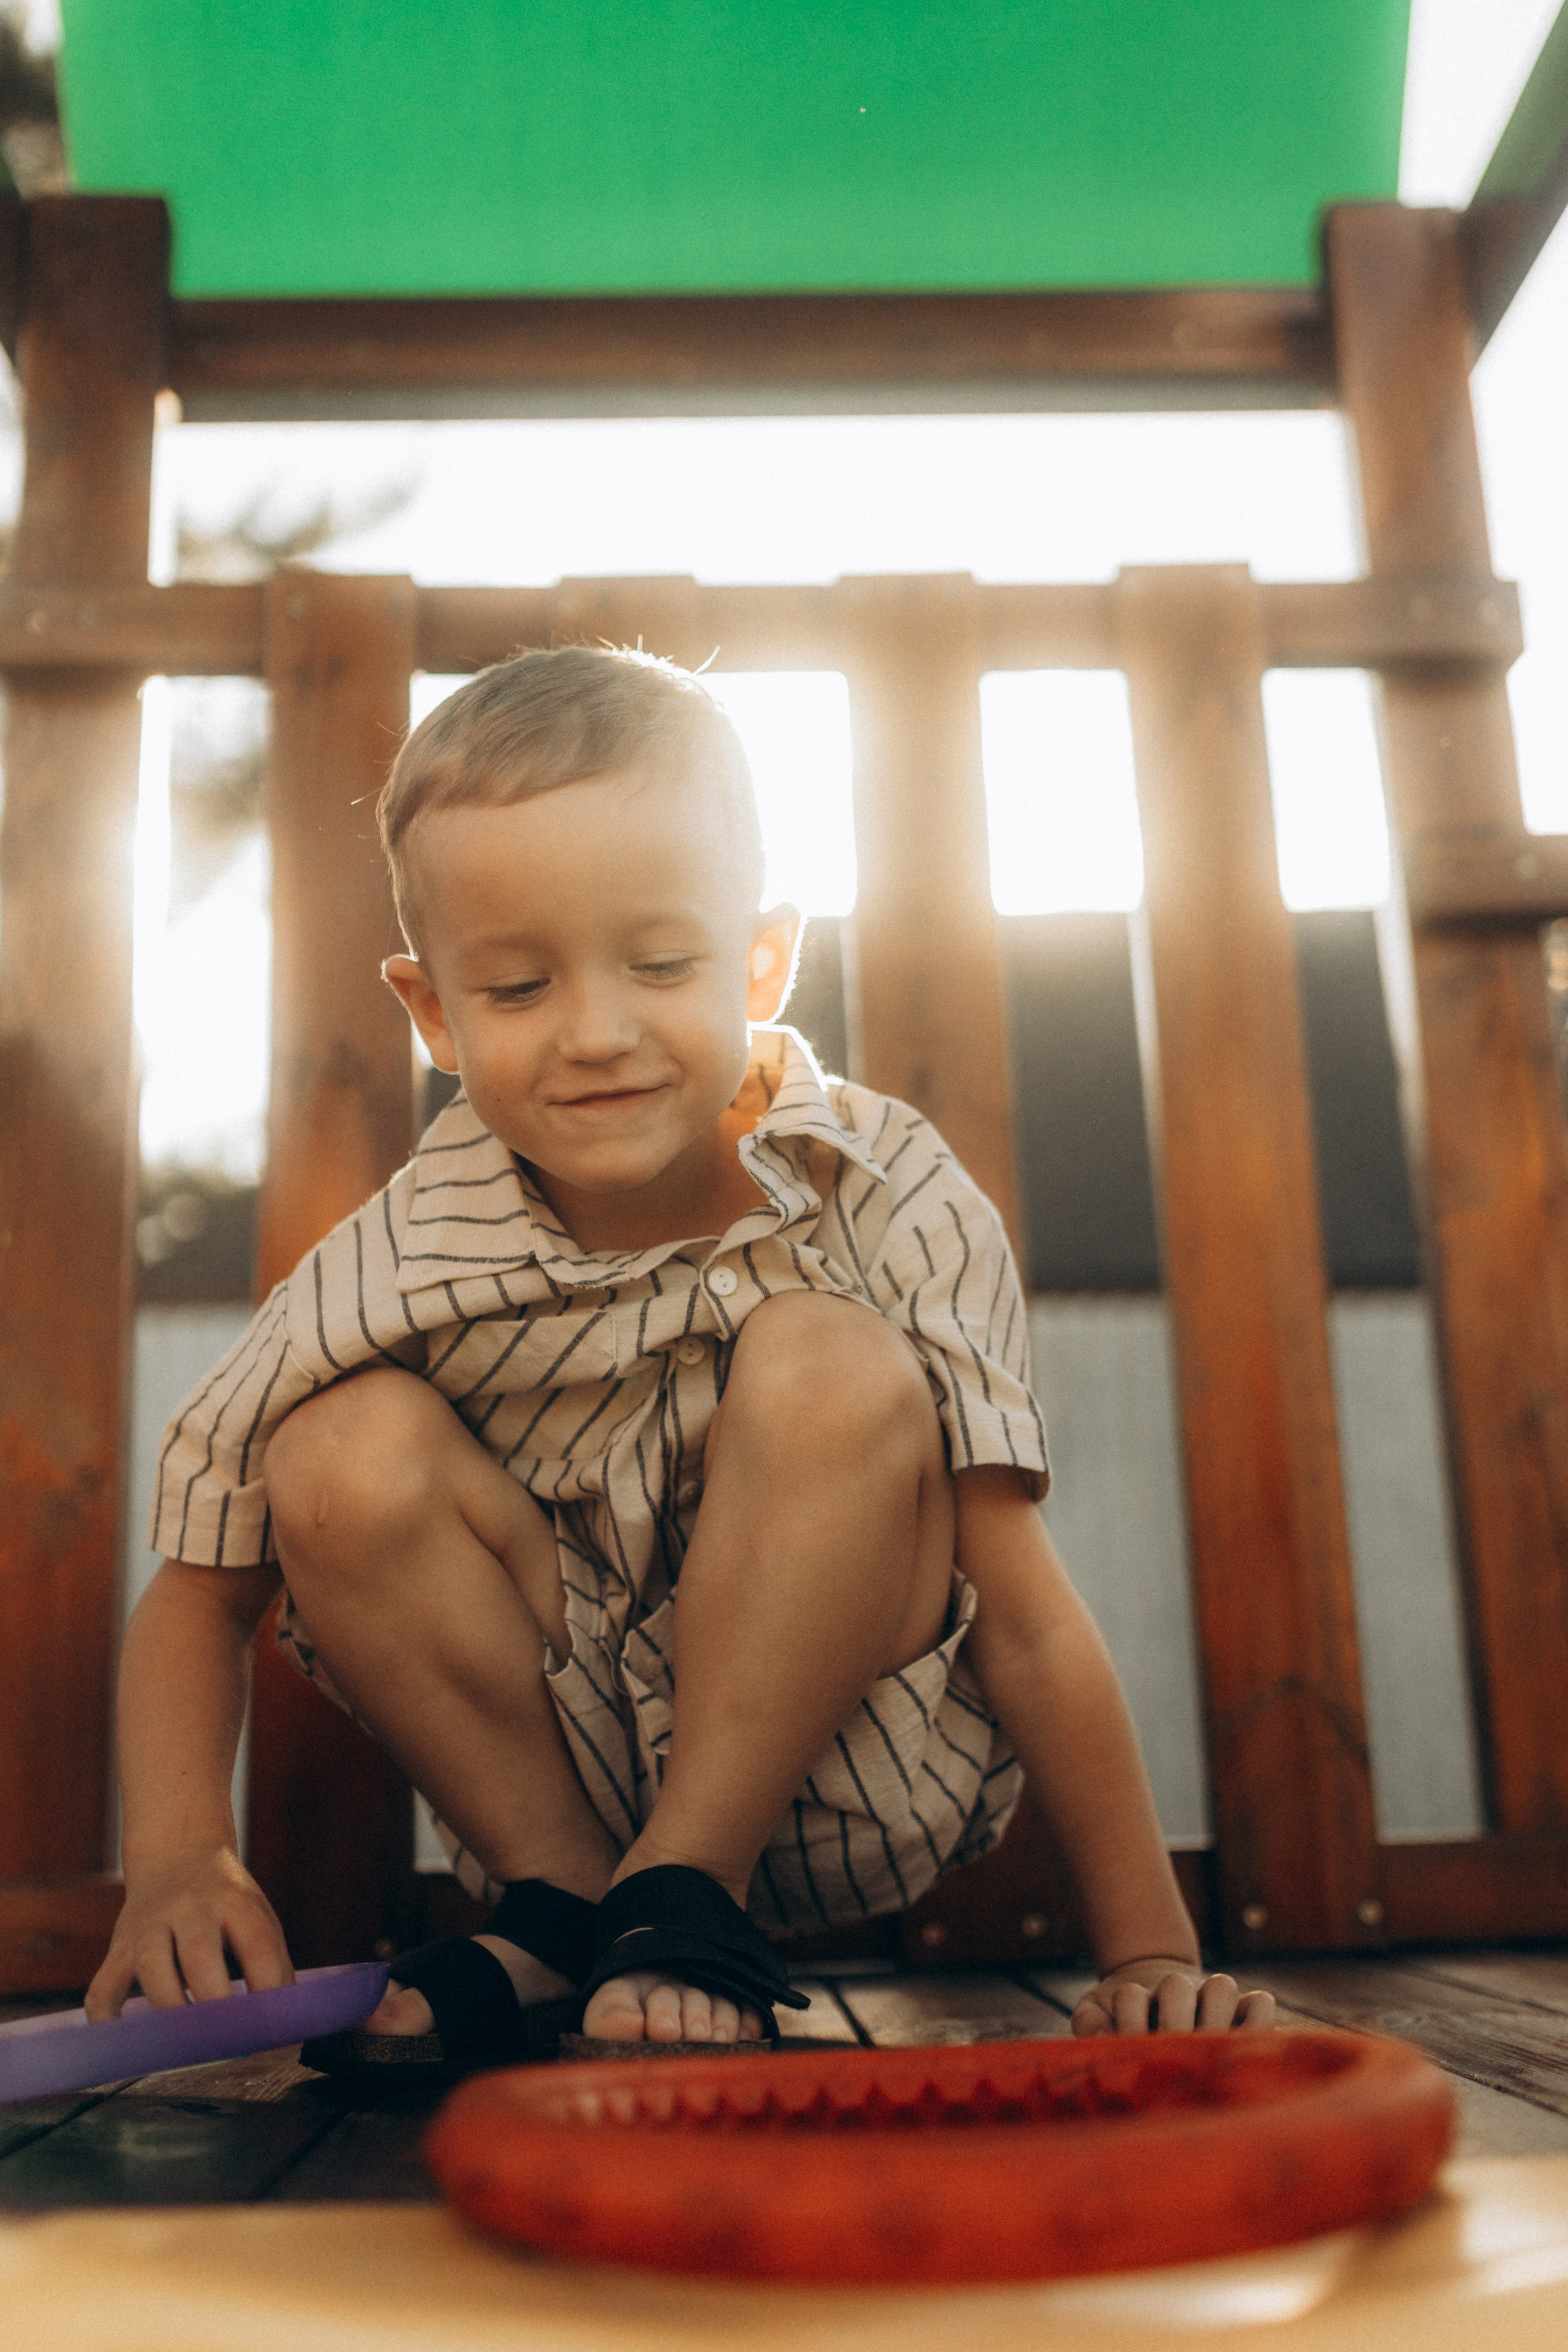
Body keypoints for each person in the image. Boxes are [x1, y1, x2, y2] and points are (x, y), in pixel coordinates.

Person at [88, 646, 1273, 2068]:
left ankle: (687, 1885)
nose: (597, 1032)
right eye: (517, 987)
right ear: (434, 1014)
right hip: (570, 1787)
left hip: (854, 1771)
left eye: (661, 964)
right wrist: (179, 1857)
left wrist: (1150, 1952)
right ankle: (569, 1912)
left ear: (761, 960)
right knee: (332, 1448)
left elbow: (1020, 1608)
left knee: (827, 1355)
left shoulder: (879, 1187)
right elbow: (197, 1592)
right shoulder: (398, 1257)